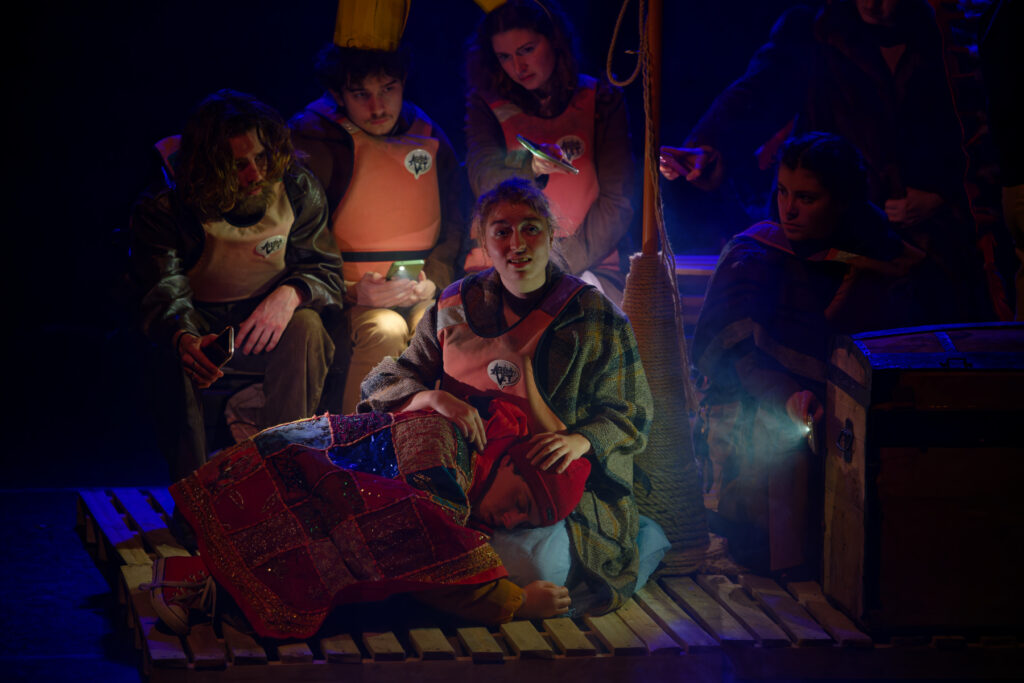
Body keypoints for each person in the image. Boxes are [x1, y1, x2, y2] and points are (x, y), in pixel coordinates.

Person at [360, 178, 657, 614]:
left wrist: (583, 440)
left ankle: (638, 539)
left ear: (552, 235)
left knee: (539, 568)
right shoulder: (455, 304)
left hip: (546, 495)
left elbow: (632, 412)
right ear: (484, 242)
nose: (517, 244)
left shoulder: (593, 315)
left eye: (531, 229)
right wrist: (435, 399)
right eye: (502, 231)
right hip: (461, 482)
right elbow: (387, 381)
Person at [692, 133, 931, 573]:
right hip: (773, 418)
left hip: (863, 425)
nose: (789, 209)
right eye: (783, 192)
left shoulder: (881, 258)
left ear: (842, 202)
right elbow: (734, 358)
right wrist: (787, 395)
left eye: (806, 198)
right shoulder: (756, 258)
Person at [147, 400, 589, 638]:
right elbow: (437, 558)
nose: (510, 521)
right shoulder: (445, 464)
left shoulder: (462, 450)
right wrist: (519, 602)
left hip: (253, 473)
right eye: (521, 503)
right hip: (276, 476)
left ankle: (210, 573)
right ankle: (205, 583)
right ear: (510, 463)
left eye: (524, 524)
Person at [660, 0, 986, 321]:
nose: (872, 3)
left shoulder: (945, 39)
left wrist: (943, 195)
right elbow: (757, 94)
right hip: (831, 239)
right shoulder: (818, 33)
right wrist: (709, 146)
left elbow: (977, 134)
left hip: (927, 242)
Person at [130, 90, 344, 480]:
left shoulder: (297, 187)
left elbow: (326, 269)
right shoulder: (167, 206)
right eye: (238, 164)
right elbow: (162, 289)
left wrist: (292, 292)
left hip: (267, 329)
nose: (255, 175)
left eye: (262, 158)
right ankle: (195, 494)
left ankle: (282, 478)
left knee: (308, 326)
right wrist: (184, 337)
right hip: (200, 330)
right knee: (173, 354)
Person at [291, 44, 467, 413]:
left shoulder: (428, 134)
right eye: (361, 94)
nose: (378, 107)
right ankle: (355, 438)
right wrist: (352, 290)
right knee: (385, 329)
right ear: (338, 94)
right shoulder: (312, 140)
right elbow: (299, 238)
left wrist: (434, 280)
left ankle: (433, 439)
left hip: (418, 289)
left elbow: (455, 221)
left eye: (388, 89)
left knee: (442, 326)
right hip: (342, 298)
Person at [464, 0, 636, 305]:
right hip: (503, 261)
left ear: (554, 40)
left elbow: (617, 201)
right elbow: (485, 178)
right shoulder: (485, 105)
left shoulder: (601, 99)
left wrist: (554, 266)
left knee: (578, 309)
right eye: (505, 56)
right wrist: (530, 165)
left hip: (585, 259)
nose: (518, 67)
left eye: (527, 50)